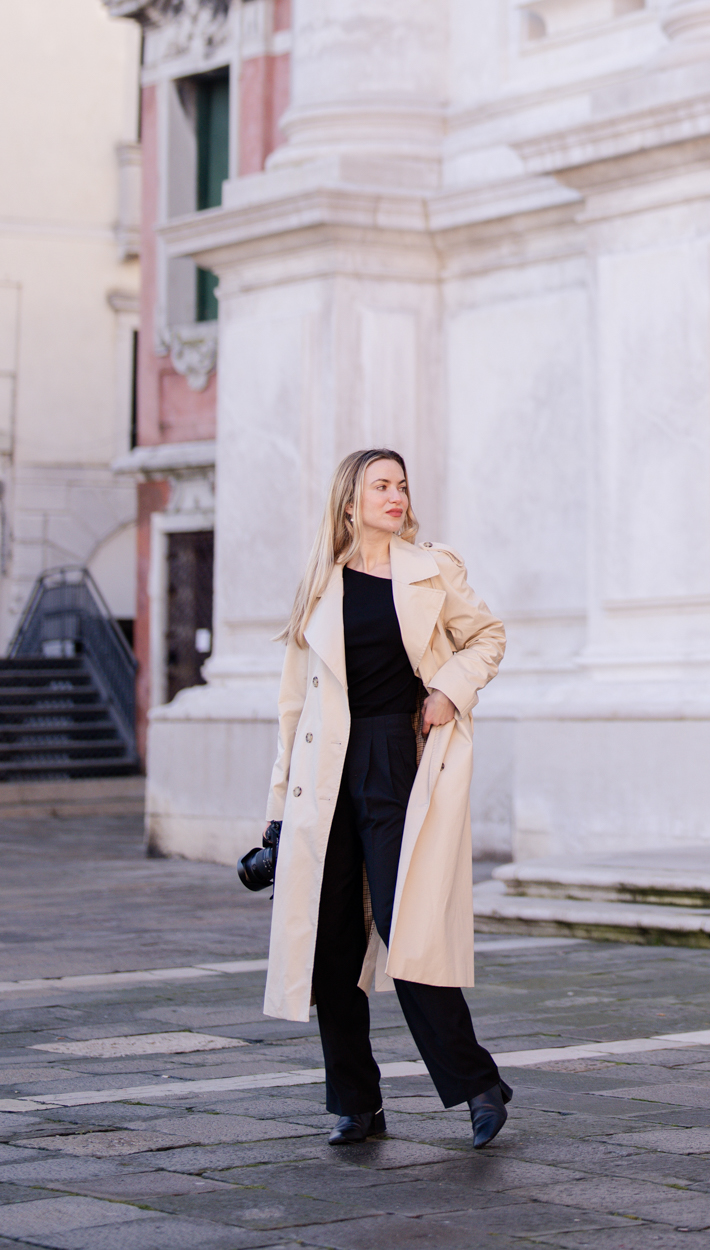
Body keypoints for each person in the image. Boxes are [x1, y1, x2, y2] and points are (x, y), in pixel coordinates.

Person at [260, 447, 510, 1147]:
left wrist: (446, 692)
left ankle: (477, 1085)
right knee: (332, 942)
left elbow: (486, 637)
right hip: (325, 773)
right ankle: (356, 1103)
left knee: (411, 931)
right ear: (350, 502)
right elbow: (292, 711)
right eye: (381, 486)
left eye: (402, 484)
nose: (396, 495)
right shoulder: (320, 585)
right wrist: (276, 814)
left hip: (398, 759)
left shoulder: (433, 568)